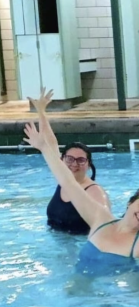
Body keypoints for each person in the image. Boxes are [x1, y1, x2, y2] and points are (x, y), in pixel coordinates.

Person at [23, 122, 139, 277]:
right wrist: (44, 148)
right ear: (130, 202)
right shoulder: (101, 219)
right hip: (78, 291)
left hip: (118, 297)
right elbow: (66, 180)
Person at [28, 88, 110, 235]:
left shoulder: (94, 191)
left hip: (79, 246)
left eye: (80, 160)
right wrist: (41, 112)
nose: (74, 164)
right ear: (62, 160)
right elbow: (51, 143)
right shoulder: (63, 181)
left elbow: (106, 226)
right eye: (70, 159)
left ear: (89, 165)